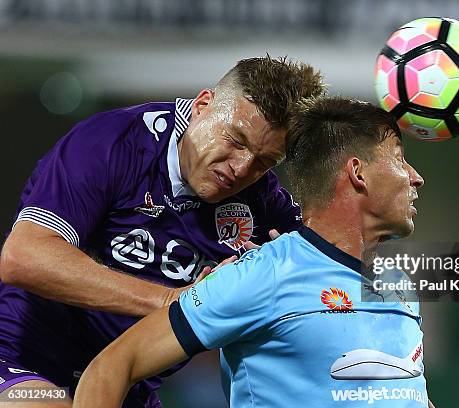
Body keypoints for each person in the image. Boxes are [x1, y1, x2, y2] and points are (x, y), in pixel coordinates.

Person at [0, 56, 325, 407]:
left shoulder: (264, 204)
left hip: (130, 389)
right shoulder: (111, 143)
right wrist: (178, 301)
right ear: (202, 106)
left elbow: (337, 279)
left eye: (263, 162)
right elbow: (24, 258)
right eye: (235, 140)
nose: (241, 168)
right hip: (24, 360)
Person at [72, 97, 430, 407]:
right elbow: (112, 367)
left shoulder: (399, 283)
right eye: (399, 159)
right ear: (358, 173)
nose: (416, 177)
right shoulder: (263, 274)